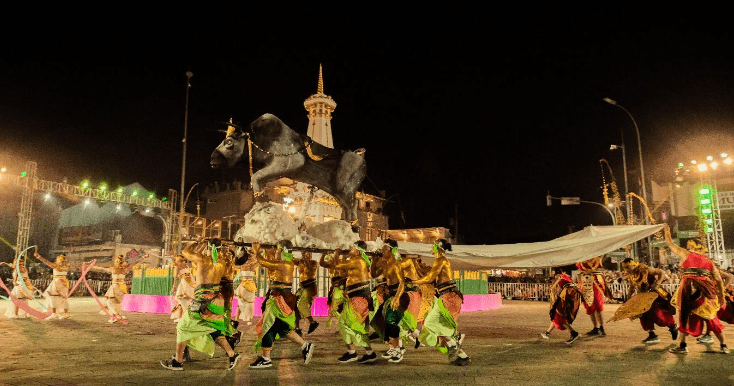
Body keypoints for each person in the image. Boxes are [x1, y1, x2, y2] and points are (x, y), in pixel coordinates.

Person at [160, 240, 241, 371]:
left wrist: (197, 242)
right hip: (216, 299)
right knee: (214, 330)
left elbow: (185, 252)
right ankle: (232, 355)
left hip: (203, 299)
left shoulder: (203, 259)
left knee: (182, 327)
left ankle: (178, 361)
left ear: (209, 248)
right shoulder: (221, 263)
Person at [663, 225, 729, 354]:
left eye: (689, 245)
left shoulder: (686, 254)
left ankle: (683, 346)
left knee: (686, 315)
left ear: (694, 247)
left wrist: (666, 231)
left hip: (688, 288)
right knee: (710, 317)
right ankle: (723, 345)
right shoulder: (709, 262)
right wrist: (721, 297)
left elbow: (669, 243)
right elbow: (719, 280)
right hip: (705, 291)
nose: (687, 247)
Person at [249, 241, 314, 369]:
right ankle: (304, 345)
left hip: (279, 299)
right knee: (280, 327)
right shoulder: (284, 263)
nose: (277, 252)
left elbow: (264, 263)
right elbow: (270, 264)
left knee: (267, 326)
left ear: (283, 250)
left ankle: (266, 359)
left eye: (278, 250)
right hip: (279, 297)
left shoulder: (285, 264)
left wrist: (257, 250)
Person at [412, 239, 470, 366]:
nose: (431, 246)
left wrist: (413, 282)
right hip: (445, 297)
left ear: (437, 247)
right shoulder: (439, 260)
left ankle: (455, 340)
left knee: (436, 326)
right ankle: (462, 355)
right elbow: (428, 277)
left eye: (433, 244)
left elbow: (430, 278)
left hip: (450, 297)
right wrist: (416, 266)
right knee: (431, 326)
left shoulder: (441, 259)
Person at [320, 240, 377, 363]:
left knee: (343, 323)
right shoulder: (356, 261)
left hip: (359, 298)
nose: (350, 250)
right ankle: (369, 352)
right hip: (357, 297)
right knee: (358, 327)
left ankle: (352, 353)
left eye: (352, 248)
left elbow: (338, 266)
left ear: (358, 251)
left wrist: (336, 254)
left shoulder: (357, 260)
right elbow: (342, 272)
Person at [612, 257, 678, 344]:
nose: (625, 270)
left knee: (656, 313)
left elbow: (661, 272)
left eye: (627, 267)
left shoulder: (645, 269)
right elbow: (632, 286)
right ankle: (652, 334)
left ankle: (672, 326)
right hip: (643, 297)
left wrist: (657, 283)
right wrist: (628, 298)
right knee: (642, 315)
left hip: (654, 294)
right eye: (624, 268)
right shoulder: (631, 275)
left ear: (632, 265)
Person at [84, 253, 148, 323]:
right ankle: (114, 317)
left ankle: (117, 315)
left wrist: (90, 266)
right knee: (114, 303)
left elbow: (102, 269)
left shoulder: (116, 269)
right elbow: (135, 262)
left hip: (117, 287)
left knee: (110, 302)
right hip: (119, 287)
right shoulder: (124, 269)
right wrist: (143, 257)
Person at [540, 268, 582, 344]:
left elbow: (553, 288)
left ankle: (573, 333)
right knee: (556, 314)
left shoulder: (559, 277)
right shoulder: (566, 276)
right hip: (571, 295)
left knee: (559, 315)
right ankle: (547, 332)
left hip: (566, 295)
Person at [696, 264, 733, 344]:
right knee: (709, 316)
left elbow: (730, 277)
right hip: (712, 298)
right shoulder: (703, 273)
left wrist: (723, 289)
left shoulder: (715, 272)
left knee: (710, 316)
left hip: (717, 298)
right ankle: (708, 335)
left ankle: (709, 336)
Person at [34, 250, 73, 320]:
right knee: (62, 297)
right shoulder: (66, 266)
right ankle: (62, 313)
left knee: (56, 297)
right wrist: (86, 264)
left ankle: (58, 313)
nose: (62, 262)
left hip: (58, 283)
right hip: (63, 282)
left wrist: (38, 256)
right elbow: (46, 262)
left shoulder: (57, 266)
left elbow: (46, 261)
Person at [576, 256, 610, 336]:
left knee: (598, 305)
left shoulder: (597, 256)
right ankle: (596, 327)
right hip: (585, 281)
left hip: (595, 281)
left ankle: (601, 328)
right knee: (589, 305)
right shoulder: (581, 257)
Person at [2, 252, 37, 319]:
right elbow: (14, 280)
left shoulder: (25, 269)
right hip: (19, 286)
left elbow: (27, 277)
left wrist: (29, 284)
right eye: (20, 264)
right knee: (18, 300)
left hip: (25, 285)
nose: (21, 265)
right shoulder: (16, 270)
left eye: (22, 264)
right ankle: (16, 314)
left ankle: (26, 313)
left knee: (25, 300)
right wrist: (16, 283)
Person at [293, 251, 320, 336]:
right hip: (302, 287)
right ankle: (297, 328)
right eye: (306, 253)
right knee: (294, 307)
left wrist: (304, 258)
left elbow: (309, 266)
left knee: (302, 305)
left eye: (310, 254)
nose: (308, 255)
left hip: (310, 286)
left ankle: (312, 322)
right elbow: (289, 260)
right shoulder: (299, 262)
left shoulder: (314, 263)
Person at [170, 254, 196, 324]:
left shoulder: (178, 267)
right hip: (188, 282)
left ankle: (183, 317)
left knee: (181, 300)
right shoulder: (186, 265)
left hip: (185, 283)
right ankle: (180, 316)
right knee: (181, 300)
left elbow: (176, 277)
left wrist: (174, 286)